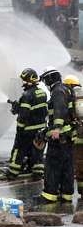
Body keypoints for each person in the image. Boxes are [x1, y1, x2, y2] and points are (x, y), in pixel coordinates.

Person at [40, 68, 75, 203]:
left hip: (59, 136)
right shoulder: (66, 89)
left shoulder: (58, 91)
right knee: (67, 166)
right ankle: (66, 195)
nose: (45, 83)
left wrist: (56, 128)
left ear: (50, 79)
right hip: (68, 135)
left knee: (52, 165)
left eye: (45, 80)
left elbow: (59, 109)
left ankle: (49, 195)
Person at [7, 68, 48, 180]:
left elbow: (24, 115)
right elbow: (36, 110)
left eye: (24, 80)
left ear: (28, 80)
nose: (22, 82)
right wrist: (19, 106)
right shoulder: (42, 93)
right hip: (40, 130)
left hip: (27, 130)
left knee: (19, 150)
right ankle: (38, 172)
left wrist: (20, 129)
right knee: (37, 151)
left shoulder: (26, 95)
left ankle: (12, 172)